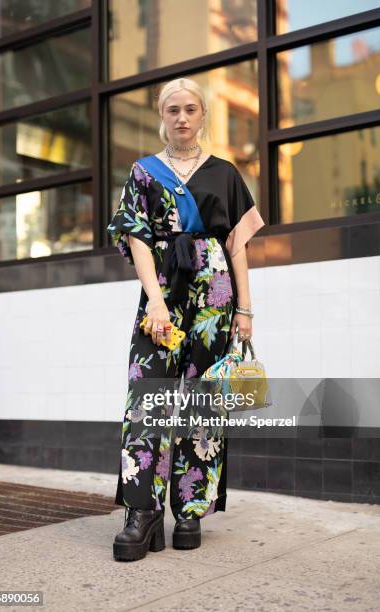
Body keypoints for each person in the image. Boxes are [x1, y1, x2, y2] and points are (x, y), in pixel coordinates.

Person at [107, 77, 265, 562]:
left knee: (202, 402)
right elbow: (135, 237)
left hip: (215, 296)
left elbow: (236, 245)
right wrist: (154, 300)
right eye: (172, 109)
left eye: (190, 109)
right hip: (163, 292)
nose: (181, 117)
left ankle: (190, 509)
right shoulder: (143, 172)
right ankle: (143, 513)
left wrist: (244, 307)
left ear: (203, 116)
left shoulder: (225, 173)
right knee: (146, 397)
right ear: (162, 115)